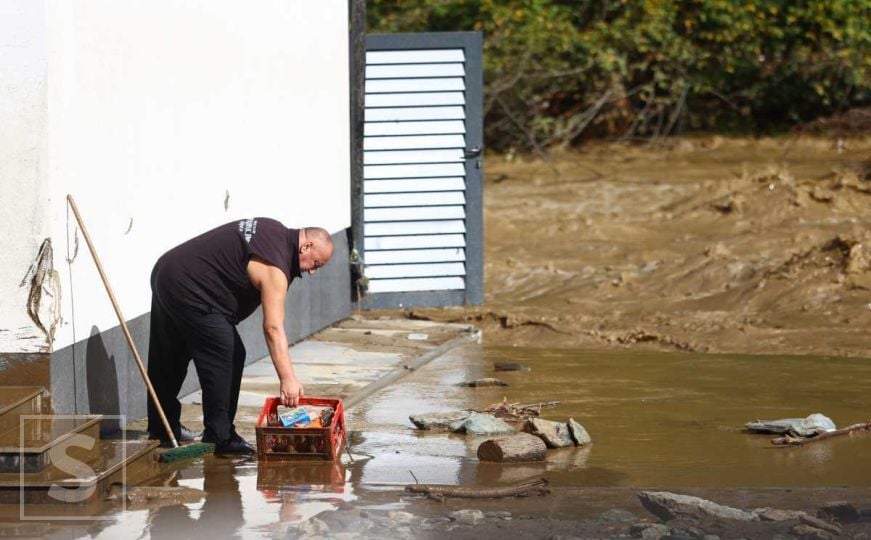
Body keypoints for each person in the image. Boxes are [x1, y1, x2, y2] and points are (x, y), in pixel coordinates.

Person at [146, 217, 334, 454]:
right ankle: (220, 437)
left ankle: (162, 427)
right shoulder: (276, 265)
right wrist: (288, 378)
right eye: (316, 263)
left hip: (168, 271)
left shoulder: (273, 230)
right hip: (193, 288)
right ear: (305, 247)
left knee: (170, 353)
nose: (313, 271)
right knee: (229, 353)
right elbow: (273, 328)